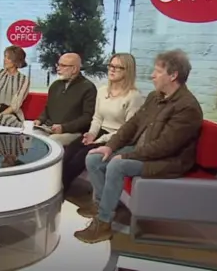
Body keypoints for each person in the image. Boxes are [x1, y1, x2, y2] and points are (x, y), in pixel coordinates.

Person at [74, 49, 202, 244]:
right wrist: (111, 146)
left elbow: (165, 147)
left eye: (158, 71)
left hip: (168, 161)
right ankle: (101, 206)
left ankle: (103, 223)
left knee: (117, 165)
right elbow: (132, 124)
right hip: (143, 151)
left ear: (173, 75)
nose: (152, 75)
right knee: (93, 158)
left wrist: (126, 157)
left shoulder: (187, 107)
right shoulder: (154, 96)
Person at [62, 53, 143, 191]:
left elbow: (128, 129)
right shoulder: (102, 91)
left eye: (118, 67)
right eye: (111, 65)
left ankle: (62, 188)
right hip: (100, 132)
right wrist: (92, 134)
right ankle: (58, 187)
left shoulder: (134, 96)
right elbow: (97, 117)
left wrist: (101, 139)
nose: (112, 70)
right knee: (70, 151)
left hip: (117, 137)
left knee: (81, 156)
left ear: (127, 71)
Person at [34, 53, 97, 145]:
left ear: (74, 69)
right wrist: (40, 119)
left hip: (73, 132)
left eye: (63, 65)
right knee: (32, 136)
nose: (58, 68)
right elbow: (48, 108)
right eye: (58, 65)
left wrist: (64, 128)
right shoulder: (55, 85)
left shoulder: (88, 87)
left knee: (52, 141)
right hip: (49, 128)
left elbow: (87, 117)